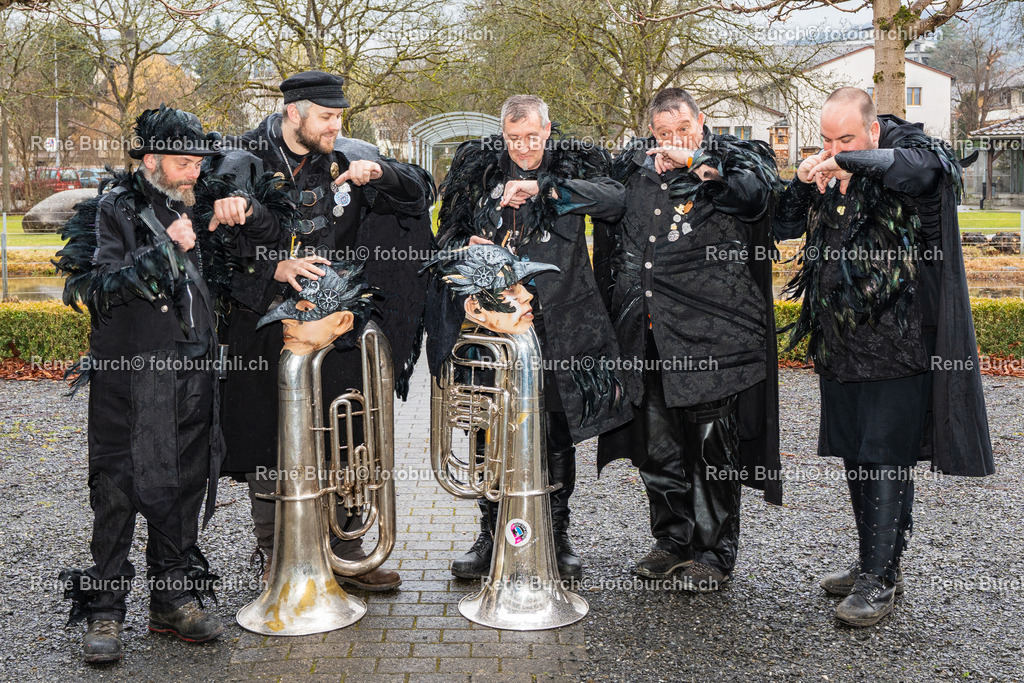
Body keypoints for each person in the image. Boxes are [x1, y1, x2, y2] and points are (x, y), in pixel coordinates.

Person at [53, 105, 279, 663]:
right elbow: (97, 287)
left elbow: (257, 246)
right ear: (151, 160)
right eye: (183, 163)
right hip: (129, 379)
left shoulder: (198, 204)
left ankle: (172, 599)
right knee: (118, 489)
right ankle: (106, 611)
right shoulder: (113, 209)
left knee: (184, 483)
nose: (194, 173)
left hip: (194, 375)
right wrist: (165, 249)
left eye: (198, 163)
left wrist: (251, 224)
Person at [774, 87, 995, 626]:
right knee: (856, 451)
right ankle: (874, 562)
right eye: (826, 139)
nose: (834, 149)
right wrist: (804, 180)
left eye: (846, 139)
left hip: (899, 345)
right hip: (840, 344)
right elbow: (781, 224)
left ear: (873, 131)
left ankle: (879, 578)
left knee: (885, 453)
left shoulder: (910, 154)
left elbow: (928, 170)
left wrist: (849, 161)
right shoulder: (829, 171)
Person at [215, 70, 433, 592]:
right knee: (267, 440)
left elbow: (422, 192)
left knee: (347, 431)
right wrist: (272, 269)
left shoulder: (350, 154)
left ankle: (347, 549)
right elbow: (212, 250)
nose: (336, 126)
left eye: (340, 116)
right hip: (262, 322)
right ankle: (276, 551)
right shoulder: (240, 159)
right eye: (327, 117)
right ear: (294, 113)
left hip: (339, 323)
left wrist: (381, 174)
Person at [433, 95, 632, 582]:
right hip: (491, 324)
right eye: (513, 138)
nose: (523, 147)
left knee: (557, 429)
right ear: (502, 134)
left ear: (547, 130)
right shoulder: (476, 167)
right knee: (488, 427)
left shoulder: (573, 163)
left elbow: (614, 201)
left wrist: (544, 188)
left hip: (558, 321)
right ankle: (490, 533)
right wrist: (464, 246)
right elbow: (445, 238)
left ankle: (555, 534)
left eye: (531, 137)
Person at [594, 87, 782, 592]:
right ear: (651, 132)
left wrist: (698, 164)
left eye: (683, 129)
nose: (674, 139)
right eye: (664, 132)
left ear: (701, 123)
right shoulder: (632, 169)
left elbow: (755, 198)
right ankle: (671, 541)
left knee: (711, 451)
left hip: (710, 341)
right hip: (646, 336)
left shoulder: (733, 160)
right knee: (658, 448)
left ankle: (713, 553)